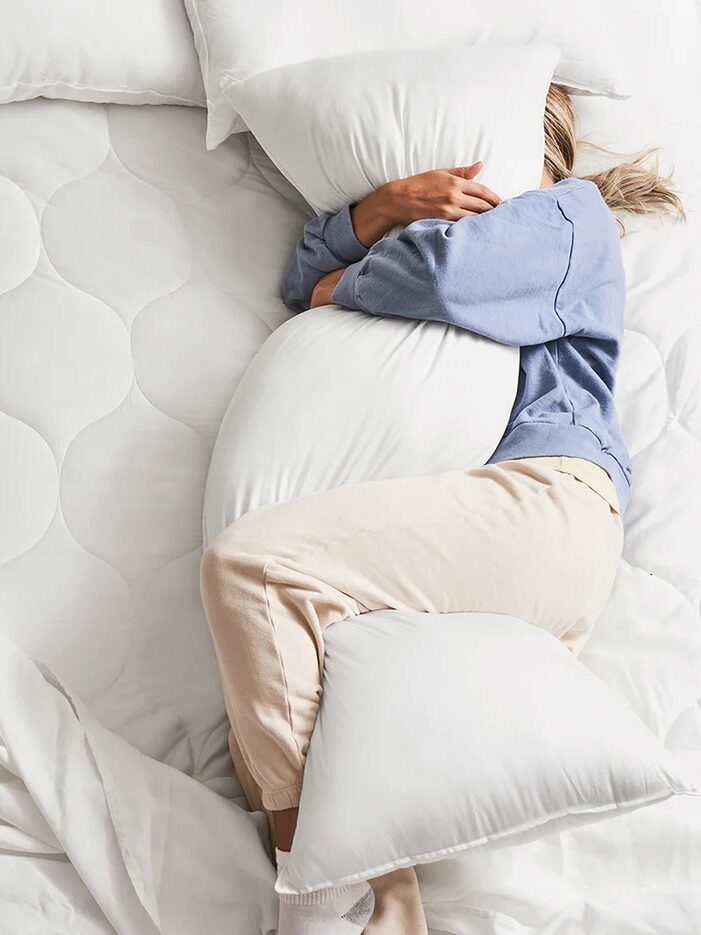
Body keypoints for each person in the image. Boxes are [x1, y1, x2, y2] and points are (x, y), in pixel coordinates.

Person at [200, 84, 684, 935]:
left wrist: (353, 269)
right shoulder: (426, 228)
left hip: (545, 504)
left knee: (253, 567)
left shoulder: (568, 218)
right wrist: (375, 208)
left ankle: (308, 888)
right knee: (299, 715)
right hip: (477, 531)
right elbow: (298, 281)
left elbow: (442, 270)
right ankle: (382, 907)